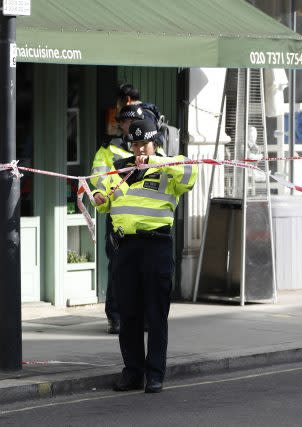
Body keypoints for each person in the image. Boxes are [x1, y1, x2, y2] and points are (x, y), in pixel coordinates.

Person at [94, 119, 197, 393]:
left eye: (144, 144)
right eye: (135, 144)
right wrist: (99, 197)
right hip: (125, 248)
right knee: (128, 314)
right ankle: (132, 372)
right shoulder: (121, 169)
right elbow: (103, 194)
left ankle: (155, 374)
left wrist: (157, 163)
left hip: (156, 246)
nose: (139, 150)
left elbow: (190, 176)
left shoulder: (169, 167)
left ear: (155, 144)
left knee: (155, 313)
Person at [90, 104, 146, 334]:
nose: (131, 126)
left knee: (143, 271)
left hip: (145, 218)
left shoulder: (152, 150)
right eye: (128, 122)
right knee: (118, 269)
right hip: (119, 217)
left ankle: (142, 318)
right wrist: (102, 192)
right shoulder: (108, 150)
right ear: (121, 124)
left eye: (136, 121)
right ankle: (116, 318)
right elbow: (97, 178)